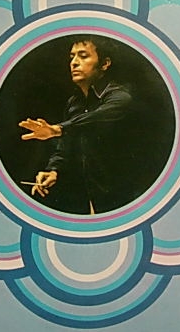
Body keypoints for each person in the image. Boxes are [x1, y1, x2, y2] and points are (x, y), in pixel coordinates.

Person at [19, 35, 138, 214]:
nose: (74, 62)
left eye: (83, 56)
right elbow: (65, 148)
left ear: (105, 63)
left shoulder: (120, 97)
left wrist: (58, 129)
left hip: (126, 199)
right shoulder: (74, 103)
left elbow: (96, 117)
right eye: (72, 57)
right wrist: (53, 170)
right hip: (90, 198)